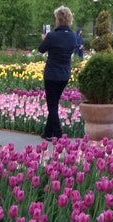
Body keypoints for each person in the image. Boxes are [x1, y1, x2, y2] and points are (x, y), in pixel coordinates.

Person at [38, 6, 78, 141]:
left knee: (52, 105)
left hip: (51, 74)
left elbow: (41, 50)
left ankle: (58, 134)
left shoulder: (52, 36)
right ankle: (47, 132)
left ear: (58, 19)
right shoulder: (73, 36)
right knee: (54, 102)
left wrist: (44, 39)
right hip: (65, 74)